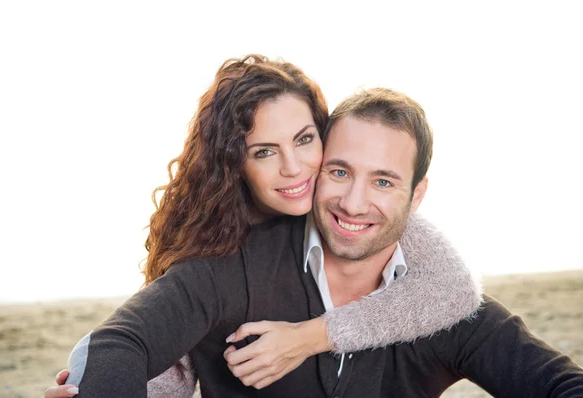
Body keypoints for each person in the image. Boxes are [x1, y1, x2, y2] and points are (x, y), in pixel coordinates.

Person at [45, 56, 484, 398]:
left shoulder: (354, 209)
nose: (294, 170)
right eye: (264, 152)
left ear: (325, 135)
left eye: (305, 140)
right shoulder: (217, 247)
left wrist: (309, 337)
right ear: (233, 162)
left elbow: (456, 287)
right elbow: (149, 351)